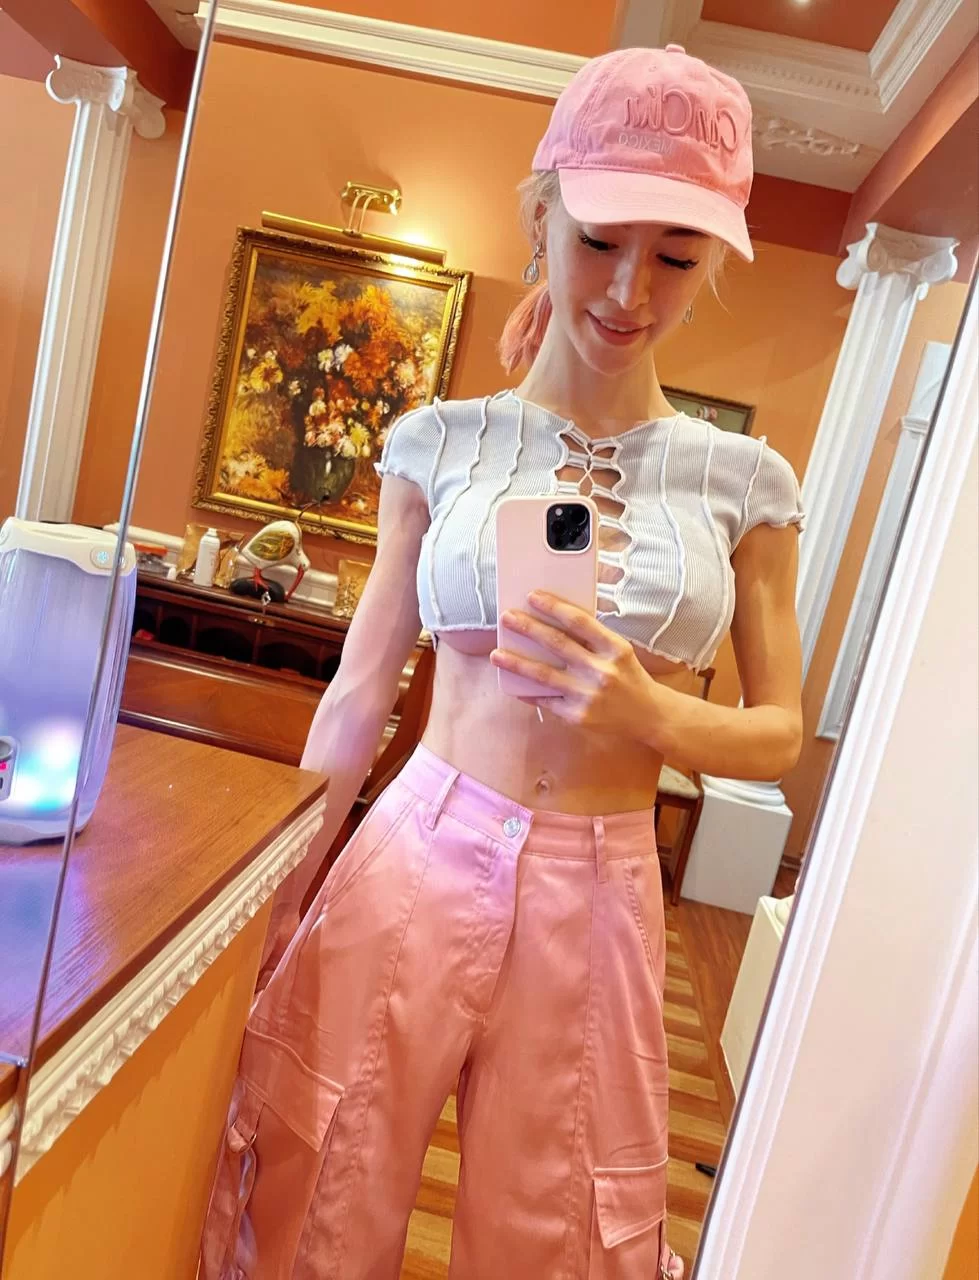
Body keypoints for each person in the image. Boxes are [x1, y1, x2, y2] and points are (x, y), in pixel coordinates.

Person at [200, 43, 805, 1280]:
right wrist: (286, 887)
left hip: (603, 877)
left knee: (562, 1224)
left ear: (711, 263)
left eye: (676, 255)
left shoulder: (744, 481)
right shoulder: (441, 441)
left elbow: (779, 728)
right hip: (417, 843)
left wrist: (651, 712)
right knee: (322, 1168)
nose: (629, 289)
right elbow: (362, 686)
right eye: (599, 240)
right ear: (540, 220)